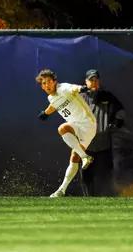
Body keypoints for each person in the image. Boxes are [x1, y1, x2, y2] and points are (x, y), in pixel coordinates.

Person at [36, 69, 96, 198]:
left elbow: (73, 88)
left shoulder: (63, 88)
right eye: (43, 83)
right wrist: (46, 113)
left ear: (54, 82)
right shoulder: (51, 97)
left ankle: (85, 157)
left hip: (88, 125)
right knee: (74, 157)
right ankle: (61, 191)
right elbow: (54, 105)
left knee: (62, 128)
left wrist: (82, 88)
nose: (47, 85)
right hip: (75, 126)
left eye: (49, 82)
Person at [79, 69, 125, 196]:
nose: (94, 82)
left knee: (106, 174)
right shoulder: (79, 98)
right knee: (86, 176)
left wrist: (117, 122)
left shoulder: (107, 96)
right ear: (85, 82)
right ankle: (88, 200)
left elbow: (120, 110)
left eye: (96, 79)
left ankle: (106, 200)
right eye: (91, 80)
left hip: (104, 144)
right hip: (85, 145)